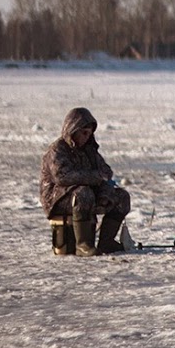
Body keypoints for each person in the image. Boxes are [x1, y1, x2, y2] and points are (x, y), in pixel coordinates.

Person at [40, 107, 131, 256]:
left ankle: (106, 242)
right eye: (83, 133)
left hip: (84, 194)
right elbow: (62, 177)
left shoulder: (89, 150)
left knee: (122, 197)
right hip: (57, 198)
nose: (86, 137)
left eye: (89, 133)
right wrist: (94, 177)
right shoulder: (57, 150)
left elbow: (105, 172)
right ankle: (83, 245)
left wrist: (104, 193)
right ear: (73, 130)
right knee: (83, 193)